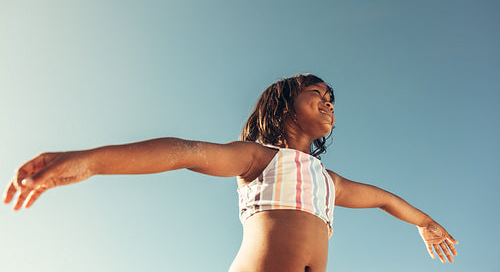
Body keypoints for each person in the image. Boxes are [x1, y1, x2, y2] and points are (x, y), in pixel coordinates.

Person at [3, 74, 458, 271]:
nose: (328, 101)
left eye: (331, 99)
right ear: (282, 108)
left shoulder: (328, 181)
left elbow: (382, 198)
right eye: (316, 93)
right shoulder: (259, 157)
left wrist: (426, 223)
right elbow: (185, 152)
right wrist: (91, 161)